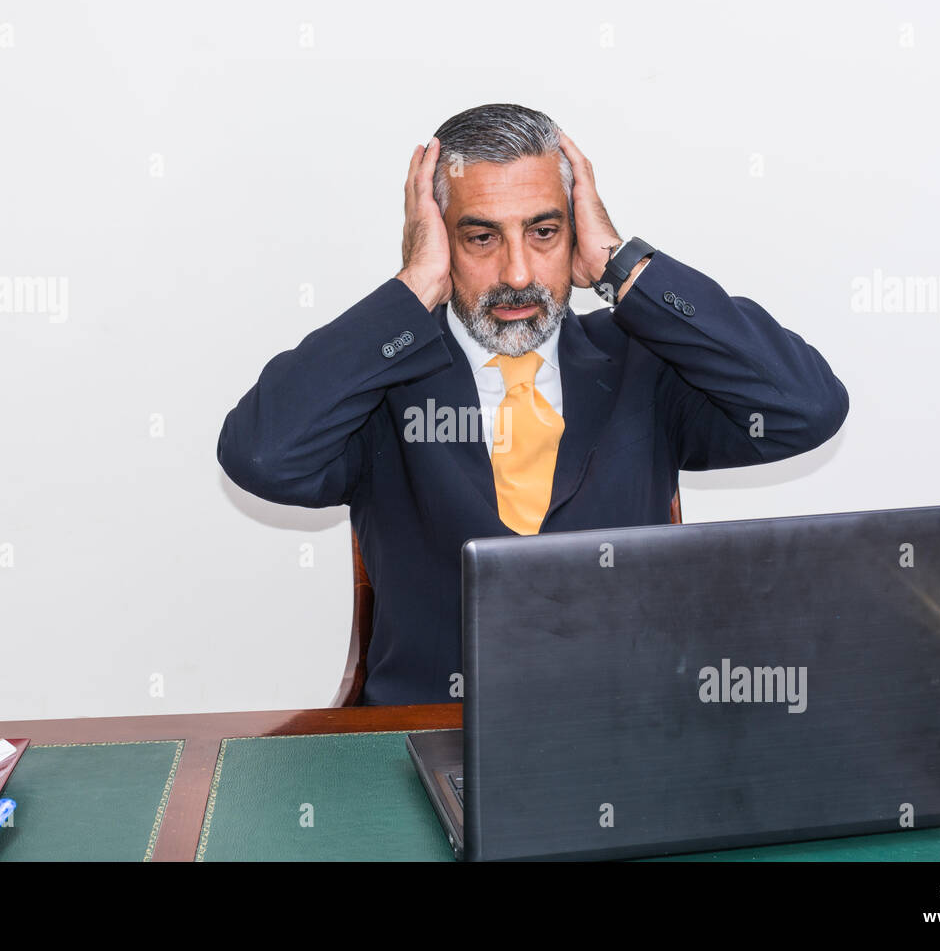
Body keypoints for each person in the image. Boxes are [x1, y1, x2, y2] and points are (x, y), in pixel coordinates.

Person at [218, 103, 849, 706]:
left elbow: (807, 408)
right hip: (425, 734)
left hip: (631, 734)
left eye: (544, 231)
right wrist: (412, 291)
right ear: (438, 240)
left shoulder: (645, 361)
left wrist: (623, 266)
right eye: (481, 237)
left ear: (576, 230)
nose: (518, 273)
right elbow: (263, 457)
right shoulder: (381, 384)